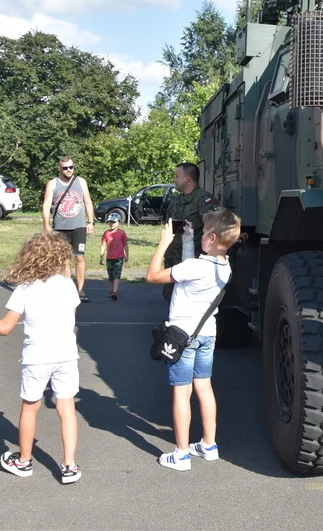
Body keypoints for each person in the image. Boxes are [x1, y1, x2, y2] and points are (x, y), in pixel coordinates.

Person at [0, 231, 82, 483]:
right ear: (62, 257)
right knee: (67, 408)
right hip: (66, 355)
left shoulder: (25, 288)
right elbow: (71, 316)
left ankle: (23, 461)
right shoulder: (68, 286)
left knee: (30, 409)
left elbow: (4, 327)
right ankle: (69, 466)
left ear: (30, 257)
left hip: (37, 357)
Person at [145, 208, 241, 471]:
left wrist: (164, 245)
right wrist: (187, 241)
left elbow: (152, 276)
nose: (199, 235)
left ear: (210, 238)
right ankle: (209, 445)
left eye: (201, 232)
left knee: (181, 391)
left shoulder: (195, 267)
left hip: (182, 336)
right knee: (204, 388)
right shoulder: (224, 266)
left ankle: (181, 454)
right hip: (207, 334)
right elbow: (188, 273)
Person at [161, 162, 219, 302]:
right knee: (171, 298)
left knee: (190, 301)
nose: (174, 180)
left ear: (187, 178)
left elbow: (214, 227)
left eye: (177, 176)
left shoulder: (204, 199)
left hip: (193, 261)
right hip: (174, 261)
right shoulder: (176, 201)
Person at [41, 156, 95, 302]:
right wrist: (46, 224)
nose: (69, 170)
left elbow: (88, 202)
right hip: (60, 227)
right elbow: (46, 204)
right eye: (65, 168)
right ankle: (67, 290)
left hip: (78, 226)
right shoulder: (53, 183)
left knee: (79, 257)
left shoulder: (81, 182)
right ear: (60, 169)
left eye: (71, 167)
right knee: (64, 260)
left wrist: (90, 222)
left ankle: (80, 289)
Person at [99, 212, 129, 300]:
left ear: (119, 222)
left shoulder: (122, 233)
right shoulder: (106, 233)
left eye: (114, 222)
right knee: (111, 275)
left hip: (119, 257)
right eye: (110, 222)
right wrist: (101, 257)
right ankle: (112, 290)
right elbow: (103, 245)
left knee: (117, 274)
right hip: (109, 258)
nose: (112, 224)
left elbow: (125, 244)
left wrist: (127, 255)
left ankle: (115, 291)